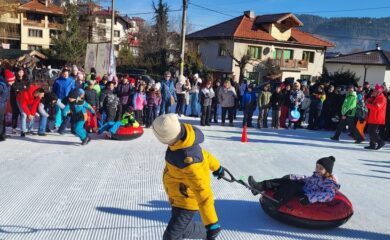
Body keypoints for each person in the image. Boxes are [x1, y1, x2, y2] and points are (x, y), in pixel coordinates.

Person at [152, 114, 223, 240]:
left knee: (171, 237)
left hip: (186, 202)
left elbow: (202, 190)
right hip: (178, 195)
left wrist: (212, 223)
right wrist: (217, 167)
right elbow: (204, 155)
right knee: (183, 230)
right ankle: (203, 231)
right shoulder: (183, 138)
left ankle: (208, 229)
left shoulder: (187, 158)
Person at [248, 156, 339, 207]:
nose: (317, 169)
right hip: (304, 187)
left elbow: (328, 195)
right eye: (317, 166)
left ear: (327, 171)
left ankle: (277, 201)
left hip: (306, 195)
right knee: (285, 180)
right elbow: (306, 179)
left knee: (292, 186)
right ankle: (259, 186)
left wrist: (310, 198)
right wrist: (292, 176)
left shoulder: (329, 182)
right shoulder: (317, 175)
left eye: (321, 168)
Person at [365, 84, 387, 150]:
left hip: (377, 118)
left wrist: (367, 104)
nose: (373, 92)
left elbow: (377, 107)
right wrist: (369, 100)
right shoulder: (376, 98)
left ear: (378, 92)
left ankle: (381, 142)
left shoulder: (382, 98)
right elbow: (372, 103)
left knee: (372, 131)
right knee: (370, 131)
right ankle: (372, 144)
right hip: (373, 117)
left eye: (374, 91)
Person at [0, 68, 15, 141]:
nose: (12, 83)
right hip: (0, 105)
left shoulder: (7, 85)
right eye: (11, 81)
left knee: (2, 121)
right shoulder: (1, 85)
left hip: (3, 105)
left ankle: (2, 134)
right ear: (7, 80)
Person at [10, 67, 27, 134]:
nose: (21, 73)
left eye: (22, 72)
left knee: (22, 114)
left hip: (22, 99)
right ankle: (14, 128)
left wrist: (20, 89)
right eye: (20, 72)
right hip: (14, 99)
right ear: (17, 72)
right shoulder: (14, 79)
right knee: (15, 113)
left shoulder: (25, 79)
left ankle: (22, 128)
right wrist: (22, 88)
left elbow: (27, 88)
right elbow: (14, 88)